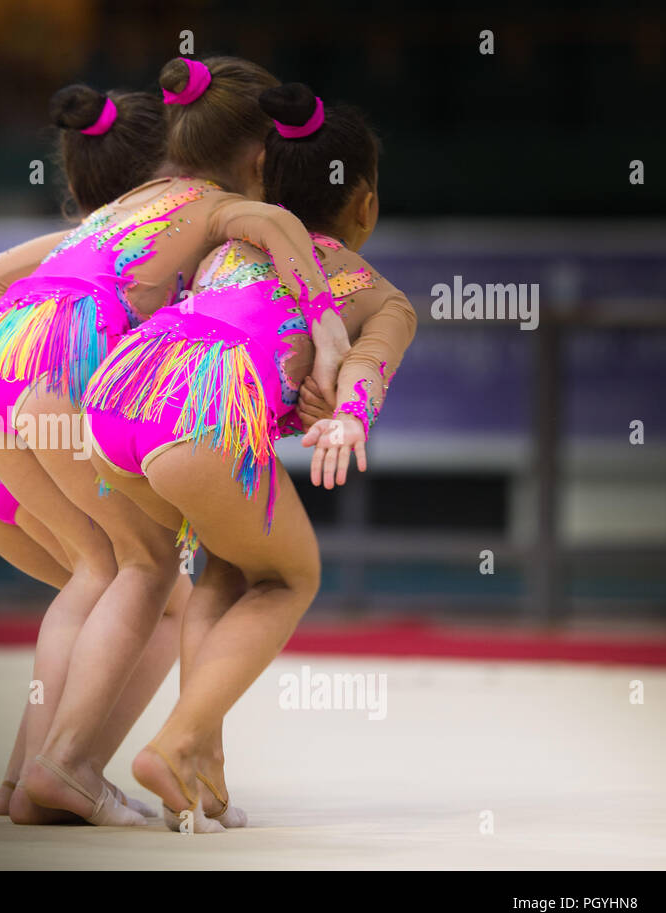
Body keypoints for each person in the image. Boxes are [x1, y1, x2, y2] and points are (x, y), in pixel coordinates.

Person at [0, 57, 342, 826]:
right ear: (261, 157)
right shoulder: (218, 204)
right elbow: (274, 225)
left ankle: (24, 779)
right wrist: (324, 325)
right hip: (58, 372)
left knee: (98, 567)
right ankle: (62, 763)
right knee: (145, 564)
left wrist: (42, 349)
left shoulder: (125, 206)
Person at [81, 81, 418, 830]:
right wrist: (352, 417)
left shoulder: (230, 242)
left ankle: (202, 767)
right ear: (363, 204)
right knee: (291, 576)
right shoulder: (379, 295)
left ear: (265, 180)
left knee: (232, 565)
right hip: (193, 422)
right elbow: (367, 365)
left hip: (115, 404)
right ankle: (170, 744)